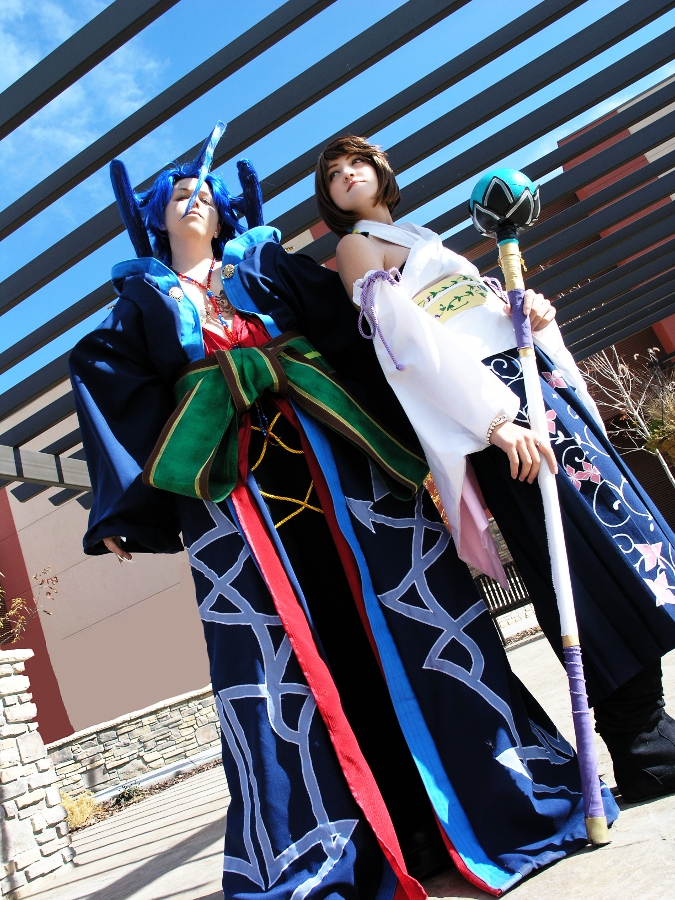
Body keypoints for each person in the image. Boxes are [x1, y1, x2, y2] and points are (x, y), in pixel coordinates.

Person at [70, 124, 617, 900]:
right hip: (243, 509)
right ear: (152, 217)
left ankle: (466, 809)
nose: (193, 202)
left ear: (225, 211)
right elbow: (110, 386)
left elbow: (369, 337)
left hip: (343, 478)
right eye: (177, 196)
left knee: (406, 632)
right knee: (294, 670)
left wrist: (482, 350)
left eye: (204, 193)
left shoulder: (270, 268)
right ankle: (360, 844)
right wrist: (123, 509)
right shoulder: (139, 305)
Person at [315, 133, 675, 808]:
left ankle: (653, 731)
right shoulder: (355, 249)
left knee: (616, 546)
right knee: (571, 562)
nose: (348, 174)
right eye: (334, 174)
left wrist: (529, 311)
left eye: (357, 162)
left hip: (533, 387)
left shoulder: (420, 237)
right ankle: (640, 745)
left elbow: (474, 316)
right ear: (329, 198)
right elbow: (408, 346)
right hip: (495, 412)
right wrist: (493, 421)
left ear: (381, 169)